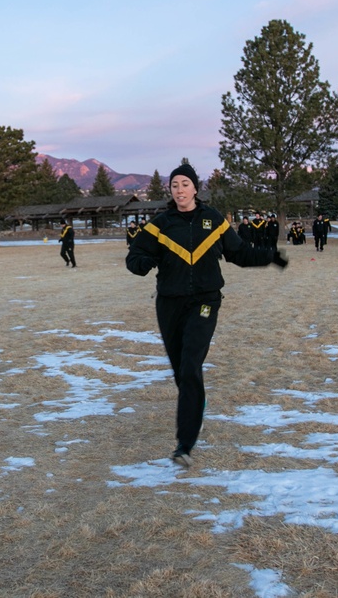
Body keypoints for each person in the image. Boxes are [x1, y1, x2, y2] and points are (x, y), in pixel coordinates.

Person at [126, 163, 288, 468]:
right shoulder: (160, 224)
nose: (179, 190)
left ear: (195, 188)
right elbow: (134, 256)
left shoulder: (213, 220)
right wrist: (143, 263)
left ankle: (184, 445)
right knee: (181, 372)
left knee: (190, 365)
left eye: (185, 184)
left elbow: (239, 253)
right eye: (174, 185)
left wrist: (271, 256)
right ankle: (196, 405)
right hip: (170, 304)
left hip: (205, 301)